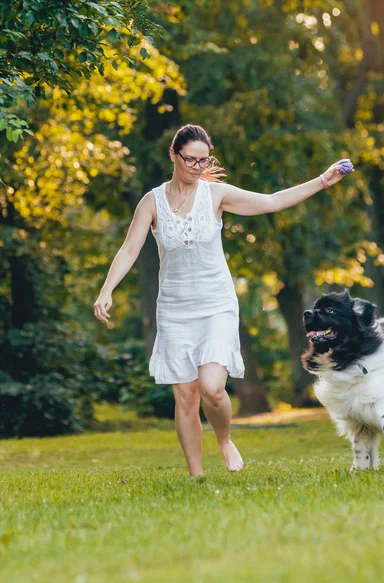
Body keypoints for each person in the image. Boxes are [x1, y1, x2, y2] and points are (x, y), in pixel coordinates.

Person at [93, 124, 354, 477]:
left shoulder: (215, 196)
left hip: (216, 304)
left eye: (204, 161)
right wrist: (107, 289)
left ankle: (224, 438)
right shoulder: (152, 202)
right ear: (173, 155)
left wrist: (321, 181)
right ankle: (197, 476)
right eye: (190, 160)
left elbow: (272, 201)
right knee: (185, 398)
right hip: (174, 309)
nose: (198, 167)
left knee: (212, 388)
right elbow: (128, 250)